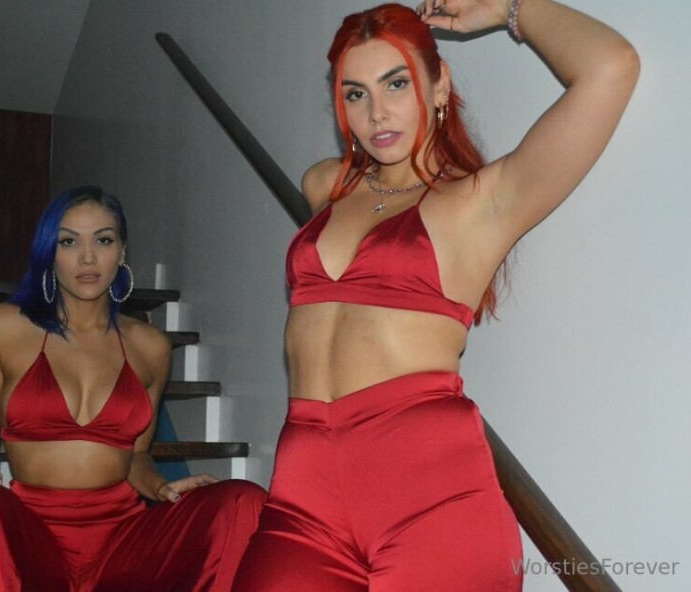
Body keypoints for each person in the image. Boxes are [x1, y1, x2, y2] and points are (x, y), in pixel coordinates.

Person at [232, 0, 638, 590]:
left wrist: (508, 9)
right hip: (302, 502)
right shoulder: (324, 187)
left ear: (439, 83)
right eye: (355, 93)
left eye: (396, 83)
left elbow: (612, 66)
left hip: (433, 501)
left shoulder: (480, 203)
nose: (376, 112)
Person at [0, 185, 266, 592]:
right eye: (69, 242)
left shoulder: (150, 346)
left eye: (103, 240)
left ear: (121, 251)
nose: (87, 258)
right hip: (31, 532)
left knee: (243, 499)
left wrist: (160, 487)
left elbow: (136, 455)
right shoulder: (3, 328)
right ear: (49, 252)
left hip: (122, 538)